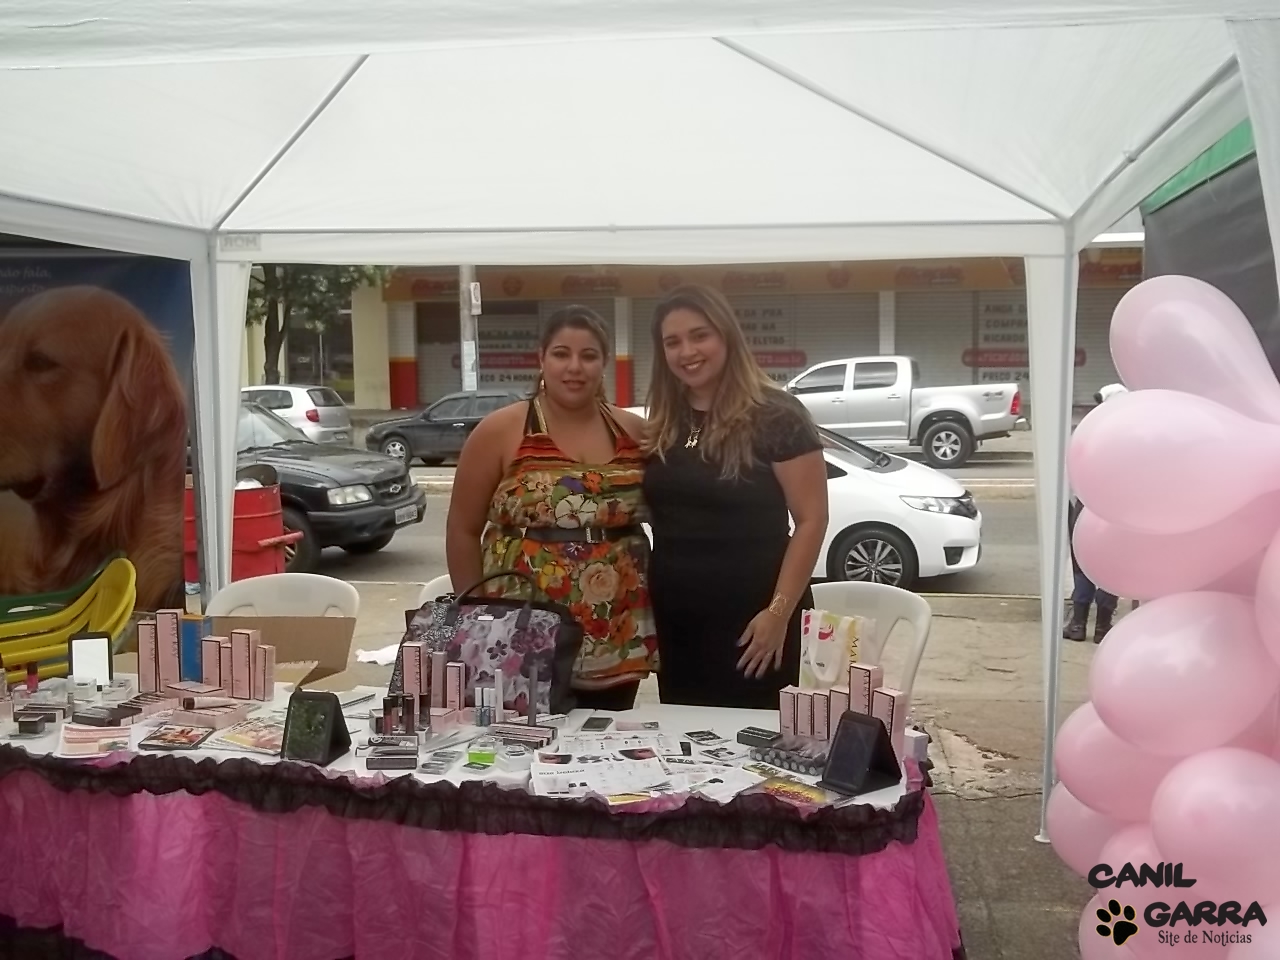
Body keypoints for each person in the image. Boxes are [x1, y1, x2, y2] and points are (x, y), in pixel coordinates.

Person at [445, 306, 656, 711]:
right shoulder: (500, 430)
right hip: (520, 623)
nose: (575, 367)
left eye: (588, 355)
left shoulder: (634, 431)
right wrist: (475, 619)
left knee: (603, 738)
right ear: (541, 358)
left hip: (616, 630)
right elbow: (462, 529)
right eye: (562, 354)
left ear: (604, 363)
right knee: (524, 737)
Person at [640, 284, 829, 709]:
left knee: (756, 742)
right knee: (687, 739)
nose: (687, 351)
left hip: (756, 622)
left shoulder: (778, 415)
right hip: (679, 620)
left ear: (726, 335)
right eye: (673, 342)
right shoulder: (666, 419)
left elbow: (812, 519)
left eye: (699, 335)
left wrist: (778, 613)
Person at [1064, 383, 1128, 643]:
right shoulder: (1135, 434)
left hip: (1086, 506)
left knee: (1082, 564)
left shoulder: (1091, 432)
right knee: (1110, 568)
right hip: (1119, 511)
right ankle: (1102, 627)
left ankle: (1078, 624)